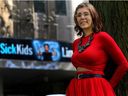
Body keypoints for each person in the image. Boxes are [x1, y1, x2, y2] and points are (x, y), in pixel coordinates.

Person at [66, 2, 128, 96]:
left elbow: (123, 64)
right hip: (76, 86)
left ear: (93, 17)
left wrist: (108, 86)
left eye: (86, 14)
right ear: (76, 19)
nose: (82, 17)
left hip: (96, 86)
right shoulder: (75, 43)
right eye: (79, 15)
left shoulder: (103, 37)